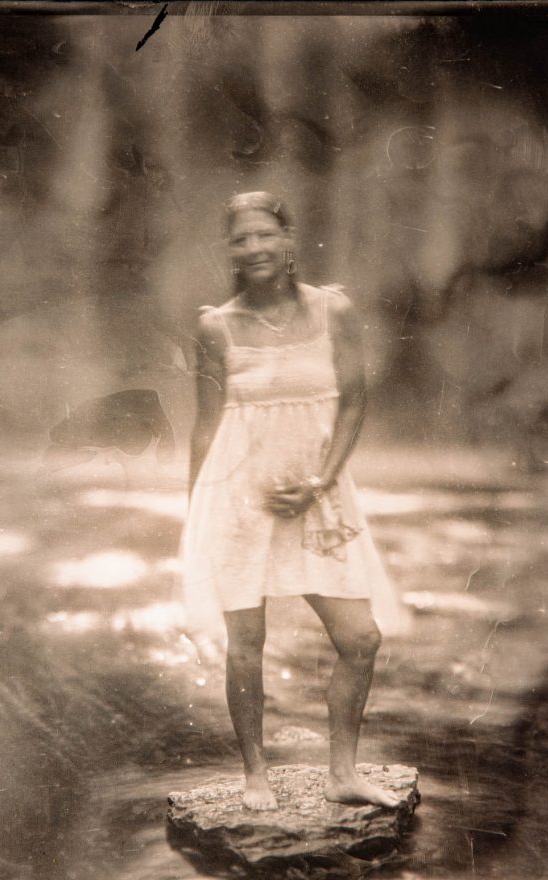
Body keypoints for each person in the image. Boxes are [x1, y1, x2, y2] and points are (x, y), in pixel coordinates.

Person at [181, 191, 403, 811]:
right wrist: (195, 516)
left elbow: (355, 399)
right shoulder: (215, 326)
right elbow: (206, 424)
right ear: (229, 249)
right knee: (246, 644)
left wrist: (322, 481)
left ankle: (343, 774)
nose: (253, 248)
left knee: (360, 638)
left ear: (290, 240)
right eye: (240, 239)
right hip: (238, 500)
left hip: (319, 496)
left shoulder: (335, 311)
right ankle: (256, 776)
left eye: (264, 235)